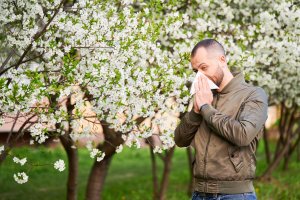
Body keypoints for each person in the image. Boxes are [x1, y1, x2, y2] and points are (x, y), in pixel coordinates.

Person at [174, 39, 268, 200]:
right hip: (199, 194)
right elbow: (180, 140)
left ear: (222, 60)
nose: (200, 76)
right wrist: (196, 111)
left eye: (204, 68)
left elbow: (243, 134)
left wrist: (206, 108)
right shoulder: (205, 96)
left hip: (235, 195)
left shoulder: (253, 94)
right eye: (196, 71)